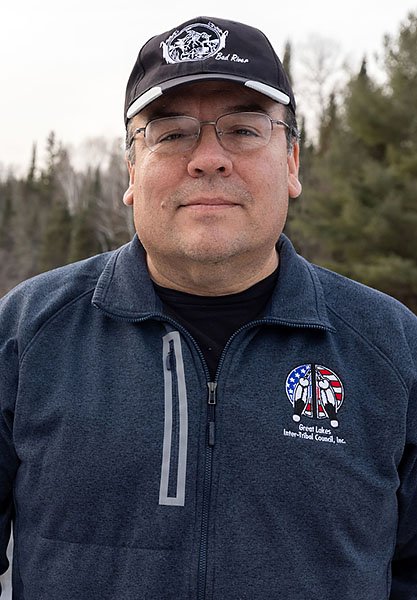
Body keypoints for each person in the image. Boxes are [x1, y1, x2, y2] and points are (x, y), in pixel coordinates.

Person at [0, 15, 416, 600]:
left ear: (292, 162)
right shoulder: (25, 334)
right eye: (172, 134)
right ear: (131, 170)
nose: (208, 159)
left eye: (244, 130)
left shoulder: (393, 348)